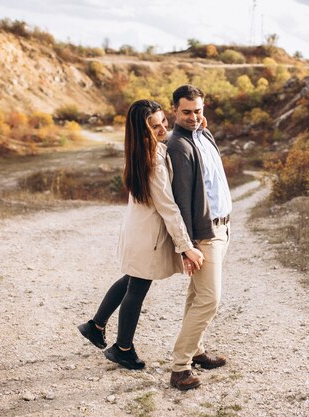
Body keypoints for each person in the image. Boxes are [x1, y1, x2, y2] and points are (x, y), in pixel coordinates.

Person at [77, 99, 204, 370]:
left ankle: (95, 326)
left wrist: (197, 130)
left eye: (164, 123)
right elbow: (168, 209)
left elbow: (171, 139)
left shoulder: (140, 151)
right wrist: (186, 247)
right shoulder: (153, 163)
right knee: (137, 287)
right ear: (143, 130)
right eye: (155, 127)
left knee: (131, 279)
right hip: (148, 237)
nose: (163, 130)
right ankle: (123, 349)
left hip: (139, 231)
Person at [166, 85, 232, 391]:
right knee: (209, 298)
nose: (194, 117)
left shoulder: (204, 134)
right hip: (205, 234)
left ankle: (197, 351)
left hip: (223, 227)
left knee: (196, 295)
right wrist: (187, 245)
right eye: (187, 112)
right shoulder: (177, 145)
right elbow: (180, 200)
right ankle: (180, 367)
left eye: (198, 110)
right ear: (174, 111)